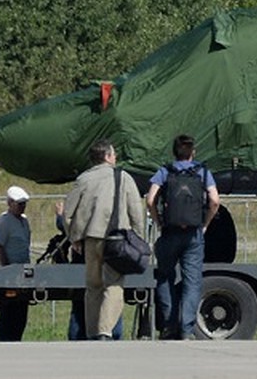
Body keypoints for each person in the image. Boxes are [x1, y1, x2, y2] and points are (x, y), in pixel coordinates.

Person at [63, 138, 145, 340]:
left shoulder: (83, 179)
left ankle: (92, 332)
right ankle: (105, 331)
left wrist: (74, 237)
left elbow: (67, 213)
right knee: (114, 284)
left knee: (92, 286)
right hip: (117, 239)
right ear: (108, 156)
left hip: (91, 238)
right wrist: (138, 236)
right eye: (114, 153)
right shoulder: (123, 177)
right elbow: (135, 209)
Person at [145, 134, 220, 340]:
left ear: (174, 152)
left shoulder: (164, 171)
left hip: (169, 232)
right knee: (192, 281)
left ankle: (169, 326)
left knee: (165, 277)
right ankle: (186, 329)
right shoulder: (203, 172)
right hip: (193, 234)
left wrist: (158, 220)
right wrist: (205, 224)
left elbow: (150, 199)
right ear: (192, 153)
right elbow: (214, 201)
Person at [54, 201, 122, 341]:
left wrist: (61, 216)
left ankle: (80, 337)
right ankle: (111, 334)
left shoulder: (85, 210)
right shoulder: (110, 211)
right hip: (109, 261)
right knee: (111, 297)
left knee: (82, 305)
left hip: (85, 265)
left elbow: (69, 227)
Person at [0, 185, 32, 341]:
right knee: (9, 306)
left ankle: (17, 337)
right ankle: (5, 338)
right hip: (10, 270)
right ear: (10, 203)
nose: (22, 207)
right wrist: (7, 269)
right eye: (19, 204)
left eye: (24, 204)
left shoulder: (24, 221)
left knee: (21, 306)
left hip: (24, 269)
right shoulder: (4, 221)